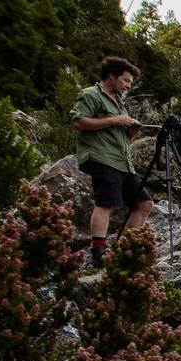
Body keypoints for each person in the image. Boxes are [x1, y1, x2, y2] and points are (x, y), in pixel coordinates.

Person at [71, 57, 154, 267]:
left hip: (123, 162)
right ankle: (98, 252)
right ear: (112, 76)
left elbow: (123, 139)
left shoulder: (119, 104)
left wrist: (132, 132)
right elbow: (79, 122)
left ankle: (124, 249)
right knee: (106, 203)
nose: (128, 86)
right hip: (101, 158)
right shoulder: (91, 95)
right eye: (125, 80)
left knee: (144, 203)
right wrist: (115, 120)